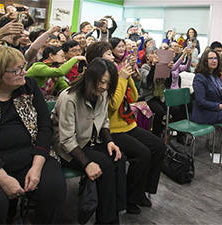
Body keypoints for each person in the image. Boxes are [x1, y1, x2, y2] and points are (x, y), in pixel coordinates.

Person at [90, 42, 167, 215]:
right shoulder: (98, 77)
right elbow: (112, 105)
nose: (112, 56)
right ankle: (130, 197)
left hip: (127, 123)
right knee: (142, 154)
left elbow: (131, 97)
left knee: (159, 146)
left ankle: (141, 192)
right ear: (98, 58)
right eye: (108, 53)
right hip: (110, 130)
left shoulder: (116, 72)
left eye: (112, 53)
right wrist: (122, 77)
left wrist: (129, 75)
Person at [51, 57, 127, 224]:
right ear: (90, 77)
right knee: (106, 165)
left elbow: (104, 120)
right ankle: (107, 220)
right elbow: (66, 140)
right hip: (67, 149)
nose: (105, 87)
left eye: (108, 83)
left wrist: (109, 141)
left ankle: (115, 210)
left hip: (88, 142)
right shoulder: (69, 98)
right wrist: (86, 163)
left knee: (119, 158)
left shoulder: (102, 94)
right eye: (101, 82)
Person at [0, 46, 66, 224]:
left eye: (23, 67)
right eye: (17, 70)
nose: (24, 72)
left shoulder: (28, 86)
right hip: (0, 165)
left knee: (53, 189)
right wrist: (3, 178)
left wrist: (36, 167)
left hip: (33, 154)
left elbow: (45, 125)